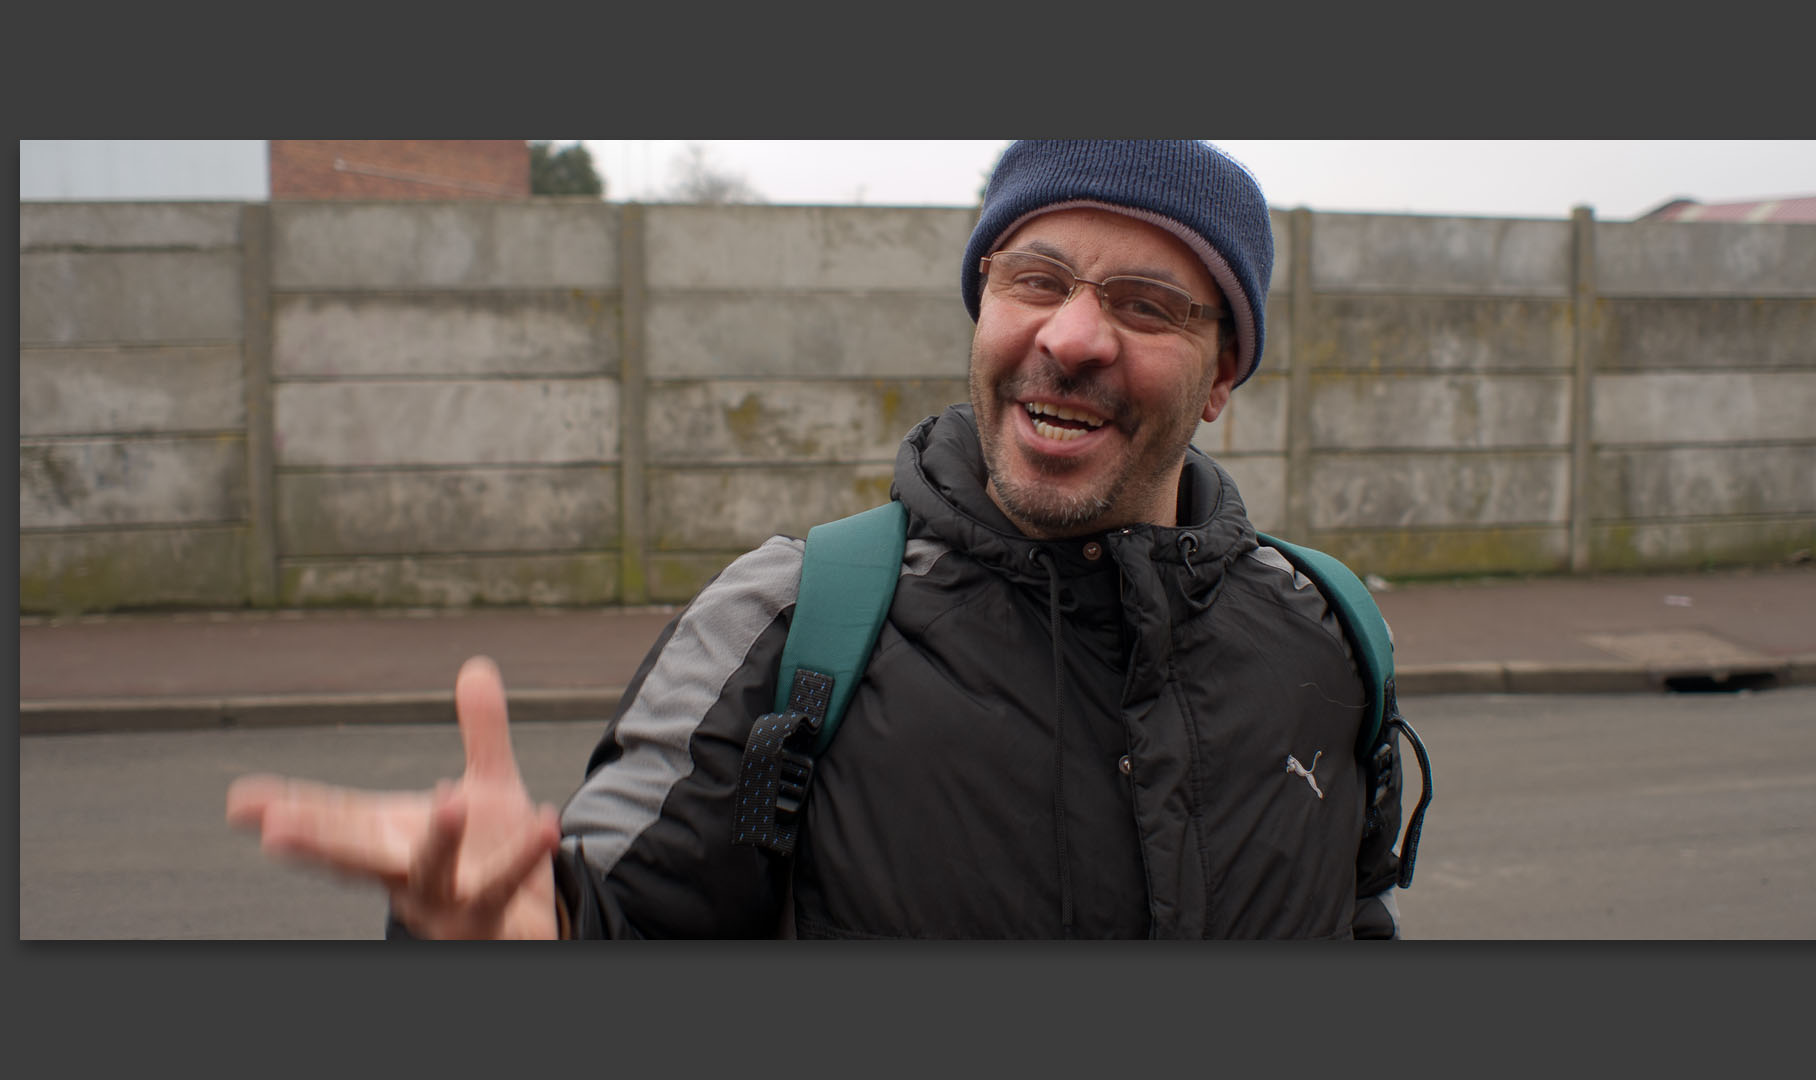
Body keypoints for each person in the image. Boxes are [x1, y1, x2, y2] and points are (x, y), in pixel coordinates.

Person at [228, 140, 1410, 939]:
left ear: (1221, 379)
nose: (1075, 336)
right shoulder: (793, 622)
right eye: (1034, 278)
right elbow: (600, 926)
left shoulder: (1325, 641)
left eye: (1146, 305)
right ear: (984, 305)